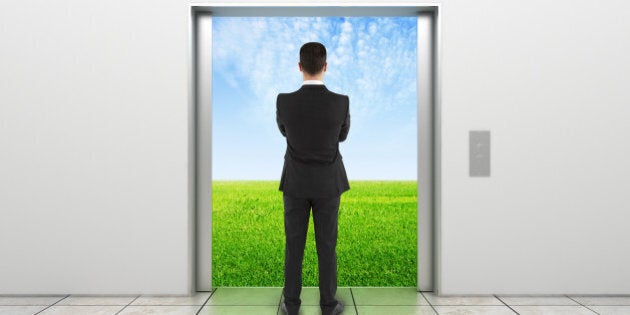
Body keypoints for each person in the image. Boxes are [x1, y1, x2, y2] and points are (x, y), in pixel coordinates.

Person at [276, 42, 350, 315]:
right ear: (325, 66)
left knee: (294, 245)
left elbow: (285, 131)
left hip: (295, 182)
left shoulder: (284, 100)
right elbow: (342, 136)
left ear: (299, 67)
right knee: (327, 246)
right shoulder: (341, 102)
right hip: (328, 183)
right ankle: (328, 305)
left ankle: (292, 306)